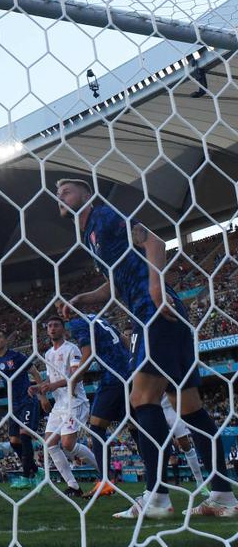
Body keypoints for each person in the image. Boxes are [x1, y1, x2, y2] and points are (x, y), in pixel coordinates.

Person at [58, 178, 237, 518]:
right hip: (164, 314)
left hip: (154, 311)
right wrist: (84, 298)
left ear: (86, 195)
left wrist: (156, 287)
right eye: (57, 193)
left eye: (67, 190)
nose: (60, 196)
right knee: (190, 408)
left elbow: (155, 241)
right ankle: (223, 496)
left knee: (142, 399)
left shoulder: (105, 216)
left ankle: (157, 497)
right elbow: (115, 282)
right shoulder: (88, 238)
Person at [61, 308, 131, 496]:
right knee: (134, 425)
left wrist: (73, 380)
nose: (61, 311)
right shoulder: (96, 317)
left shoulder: (77, 322)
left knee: (97, 427)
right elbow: (125, 340)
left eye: (61, 307)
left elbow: (88, 353)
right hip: (130, 373)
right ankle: (155, 480)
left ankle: (106, 480)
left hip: (113, 377)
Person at [30, 316, 97, 497]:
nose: (52, 328)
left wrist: (52, 386)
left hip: (75, 402)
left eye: (56, 325)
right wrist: (39, 386)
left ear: (63, 329)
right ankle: (73, 485)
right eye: (49, 326)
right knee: (49, 444)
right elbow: (52, 379)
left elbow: (78, 376)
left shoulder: (72, 349)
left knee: (68, 445)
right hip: (59, 404)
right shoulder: (48, 354)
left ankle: (105, 471)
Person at [0, 328, 46, 489]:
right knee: (14, 442)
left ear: (5, 340)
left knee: (25, 436)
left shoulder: (16, 357)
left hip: (28, 400)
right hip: (14, 405)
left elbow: (34, 372)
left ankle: (27, 477)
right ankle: (36, 470)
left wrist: (41, 394)